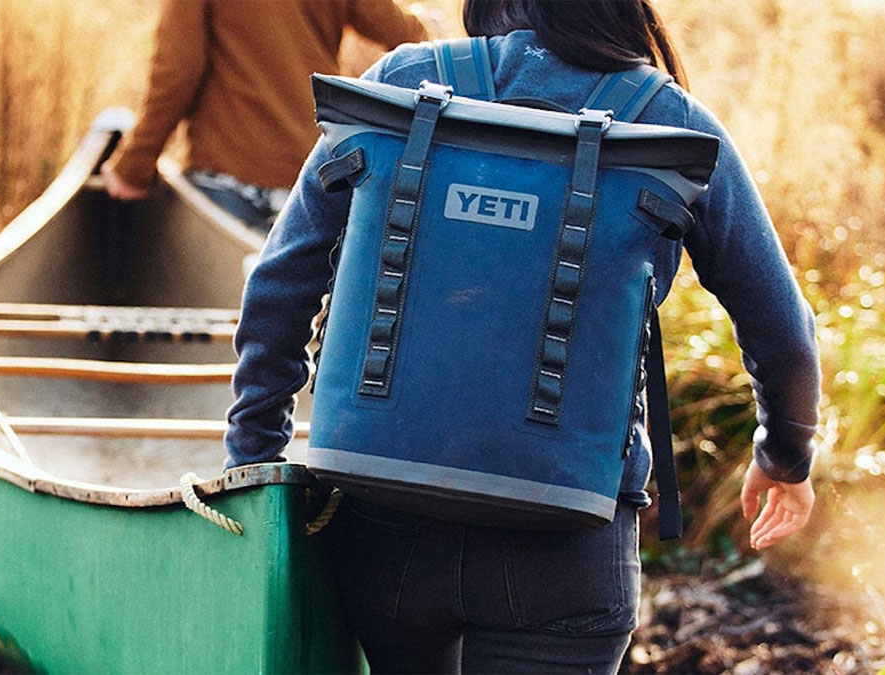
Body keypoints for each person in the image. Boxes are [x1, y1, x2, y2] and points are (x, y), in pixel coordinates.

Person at [224, 0, 820, 672]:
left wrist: (253, 459)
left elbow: (279, 283)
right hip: (568, 541)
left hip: (386, 530)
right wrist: (784, 455)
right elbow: (782, 328)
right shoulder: (667, 119)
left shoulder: (402, 83)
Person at [101, 0, 429, 231]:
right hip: (313, 179)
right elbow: (410, 40)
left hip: (227, 176)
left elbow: (178, 71)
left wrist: (134, 167)